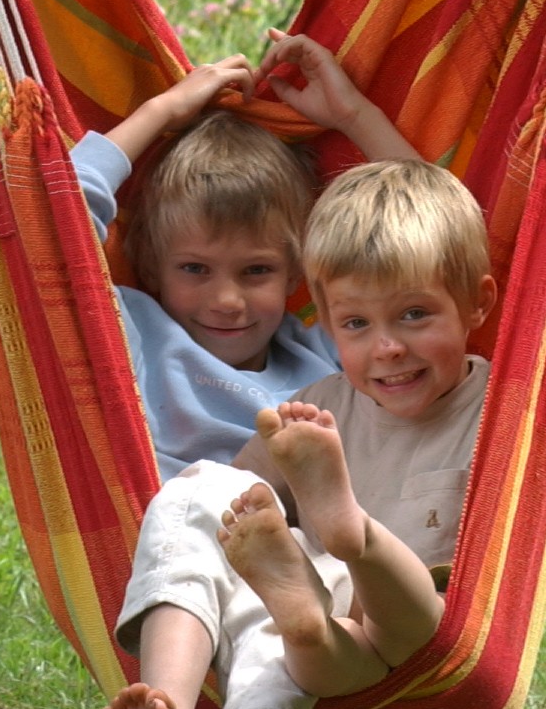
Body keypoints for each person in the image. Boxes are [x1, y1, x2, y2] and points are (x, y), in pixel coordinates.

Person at [102, 158, 496, 709]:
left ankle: (355, 536)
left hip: (409, 631)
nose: (387, 347)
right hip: (317, 630)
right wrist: (243, 523)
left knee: (301, 605)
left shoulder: (506, 411)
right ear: (326, 321)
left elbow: (483, 212)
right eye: (355, 322)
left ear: (477, 303)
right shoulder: (323, 402)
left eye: (415, 314)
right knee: (201, 496)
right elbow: (234, 509)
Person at [72, 32, 420, 478]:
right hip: (181, 532)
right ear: (150, 264)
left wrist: (354, 115)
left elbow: (435, 239)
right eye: (195, 269)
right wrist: (162, 110)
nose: (227, 300)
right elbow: (49, 222)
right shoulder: (137, 335)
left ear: (298, 272)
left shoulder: (332, 356)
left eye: (257, 271)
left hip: (321, 539)